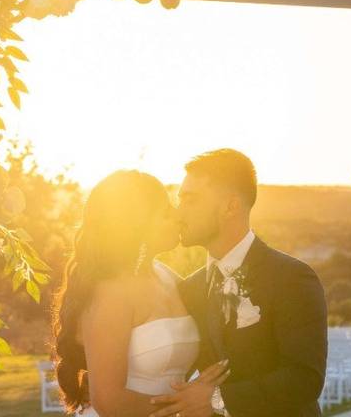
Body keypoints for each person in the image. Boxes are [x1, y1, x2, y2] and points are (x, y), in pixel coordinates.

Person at [150, 149, 328, 417]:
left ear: (230, 206)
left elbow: (305, 379)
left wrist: (217, 400)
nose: (179, 212)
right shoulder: (190, 288)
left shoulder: (292, 278)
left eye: (190, 200)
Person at [51, 169, 228, 416]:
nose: (177, 216)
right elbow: (108, 400)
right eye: (166, 213)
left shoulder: (167, 277)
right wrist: (185, 404)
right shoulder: (111, 292)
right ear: (139, 226)